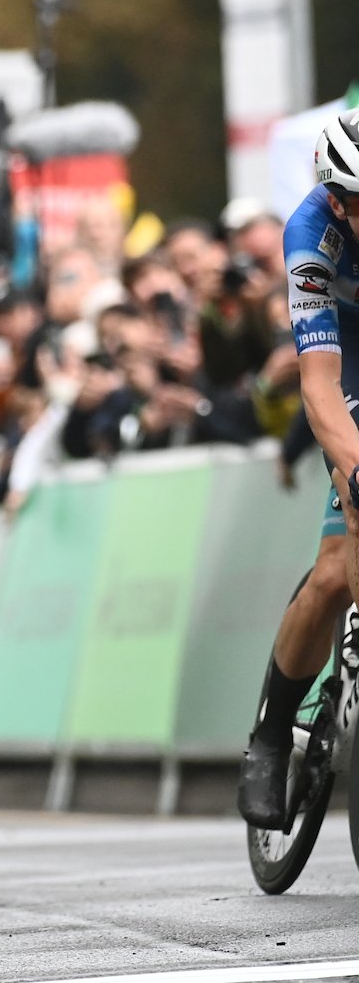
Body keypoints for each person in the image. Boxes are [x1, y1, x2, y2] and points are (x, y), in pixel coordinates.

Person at [237, 107, 359, 829]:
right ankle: (272, 734)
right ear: (338, 199)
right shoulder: (309, 233)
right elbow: (317, 386)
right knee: (339, 564)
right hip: (345, 356)